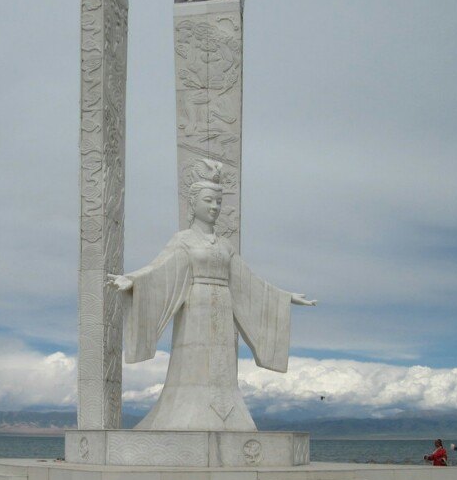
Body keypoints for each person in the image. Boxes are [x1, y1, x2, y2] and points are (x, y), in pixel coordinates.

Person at [108, 159, 315, 430]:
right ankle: (185, 410)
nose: (215, 207)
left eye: (218, 202)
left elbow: (248, 282)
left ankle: (226, 412)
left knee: (222, 364)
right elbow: (159, 269)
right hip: (195, 305)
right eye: (209, 201)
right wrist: (133, 280)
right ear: (194, 204)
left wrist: (283, 297)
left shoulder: (225, 245)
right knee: (192, 362)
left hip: (223, 307)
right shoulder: (183, 240)